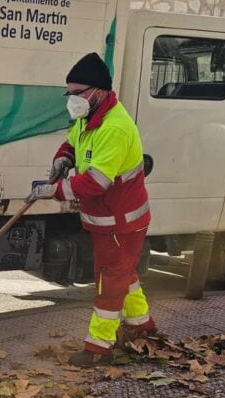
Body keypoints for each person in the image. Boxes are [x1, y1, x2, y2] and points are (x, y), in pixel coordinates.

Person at [29, 52, 155, 367]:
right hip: (108, 220)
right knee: (123, 273)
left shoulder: (115, 127)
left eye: (77, 93)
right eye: (68, 94)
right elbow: (73, 142)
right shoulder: (91, 118)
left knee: (110, 280)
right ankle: (143, 327)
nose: (71, 100)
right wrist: (63, 158)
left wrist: (54, 190)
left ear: (97, 91)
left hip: (121, 222)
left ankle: (99, 347)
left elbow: (96, 182)